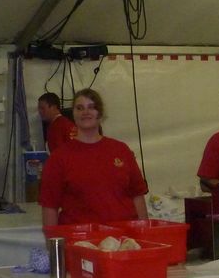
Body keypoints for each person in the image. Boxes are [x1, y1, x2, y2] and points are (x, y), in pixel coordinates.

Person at [40, 88, 148, 226]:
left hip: (124, 235)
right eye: (79, 108)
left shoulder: (121, 150)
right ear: (73, 114)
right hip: (80, 237)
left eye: (91, 107)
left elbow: (137, 195)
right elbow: (50, 206)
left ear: (100, 113)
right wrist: (53, 239)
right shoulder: (58, 158)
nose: (85, 112)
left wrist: (144, 232)